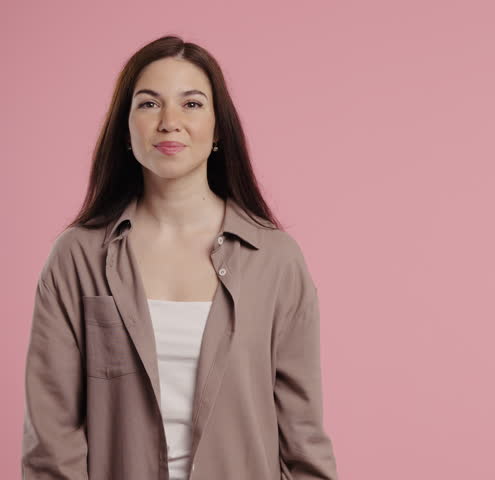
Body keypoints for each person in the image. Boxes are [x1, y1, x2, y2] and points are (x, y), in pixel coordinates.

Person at [20, 35, 339, 480]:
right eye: (149, 104)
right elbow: (51, 445)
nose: (170, 122)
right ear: (126, 129)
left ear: (218, 128)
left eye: (191, 104)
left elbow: (303, 438)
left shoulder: (276, 260)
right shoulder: (76, 258)